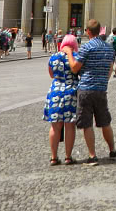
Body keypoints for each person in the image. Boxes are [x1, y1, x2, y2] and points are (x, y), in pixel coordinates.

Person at [62, 19, 116, 166]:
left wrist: (68, 52)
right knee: (105, 122)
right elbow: (110, 69)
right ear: (99, 31)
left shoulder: (86, 48)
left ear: (87, 31)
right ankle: (112, 150)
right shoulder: (109, 48)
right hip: (101, 89)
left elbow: (74, 67)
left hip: (86, 89)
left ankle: (92, 156)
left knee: (87, 124)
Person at [43, 34, 78, 166]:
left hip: (55, 91)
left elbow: (51, 74)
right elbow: (77, 70)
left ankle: (53, 157)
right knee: (69, 126)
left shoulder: (53, 57)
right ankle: (68, 157)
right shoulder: (74, 56)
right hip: (71, 91)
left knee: (55, 126)